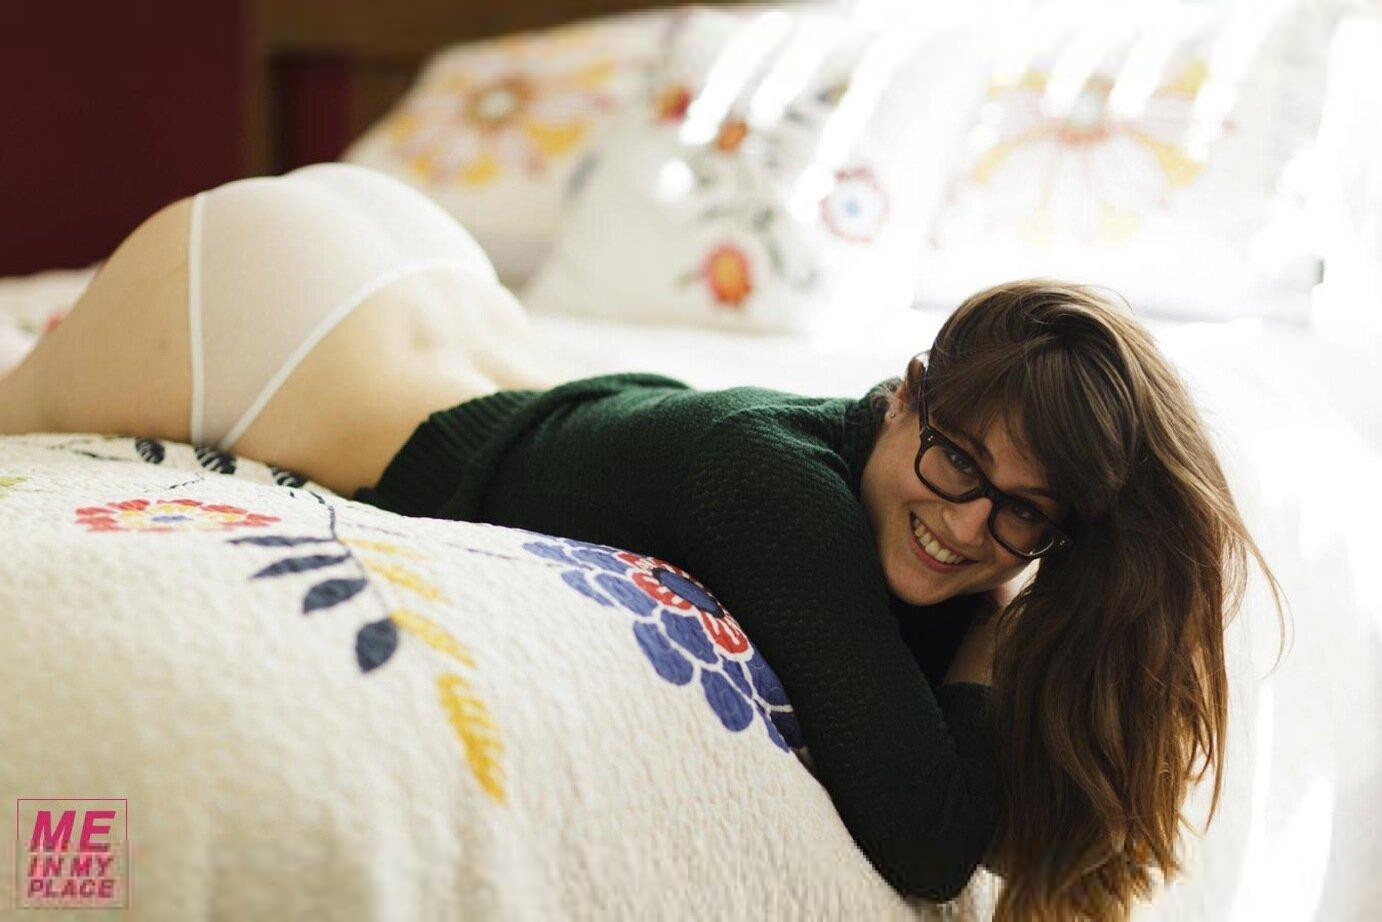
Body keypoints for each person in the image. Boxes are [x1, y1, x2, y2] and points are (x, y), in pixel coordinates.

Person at [0, 164, 1287, 921]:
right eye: (956, 461)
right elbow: (932, 834)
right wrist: (999, 631)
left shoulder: (870, 470)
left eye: (1021, 514)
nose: (963, 524)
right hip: (273, 317)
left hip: (438, 298)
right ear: (903, 397)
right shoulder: (779, 493)